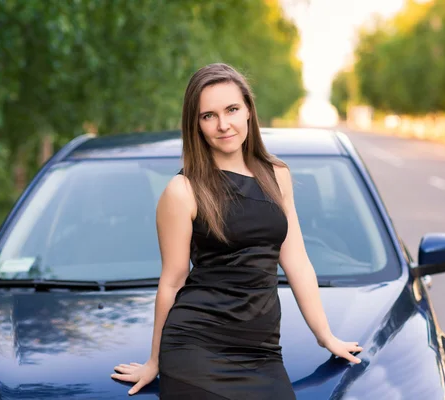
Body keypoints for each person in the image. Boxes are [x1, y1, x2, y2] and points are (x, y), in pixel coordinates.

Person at [110, 63, 363, 398]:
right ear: (196, 125)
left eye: (231, 109)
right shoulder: (183, 190)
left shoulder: (277, 175)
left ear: (248, 111)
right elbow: (173, 280)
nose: (223, 124)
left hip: (263, 352)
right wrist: (154, 361)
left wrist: (325, 336)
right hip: (196, 348)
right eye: (208, 115)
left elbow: (297, 261)